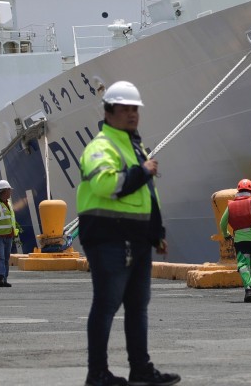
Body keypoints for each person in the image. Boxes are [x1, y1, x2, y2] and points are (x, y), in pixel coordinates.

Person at [76, 81, 180, 386]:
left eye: (135, 108)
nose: (132, 114)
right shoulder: (100, 147)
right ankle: (97, 373)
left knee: (137, 306)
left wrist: (155, 232)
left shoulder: (134, 146)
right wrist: (143, 171)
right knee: (107, 304)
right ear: (109, 112)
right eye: (125, 109)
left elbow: (148, 195)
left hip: (135, 239)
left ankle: (141, 369)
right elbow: (106, 186)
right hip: (109, 238)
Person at [219, 178, 251, 303]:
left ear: (238, 190)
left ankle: (248, 289)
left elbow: (223, 223)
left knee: (243, 265)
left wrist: (226, 234)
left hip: (241, 241)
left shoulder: (231, 205)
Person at [0, 178, 18, 287]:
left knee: (6, 258)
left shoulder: (9, 204)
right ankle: (0, 278)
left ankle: (4, 279)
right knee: (0, 257)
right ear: (4, 191)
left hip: (9, 236)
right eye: (9, 190)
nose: (10, 192)